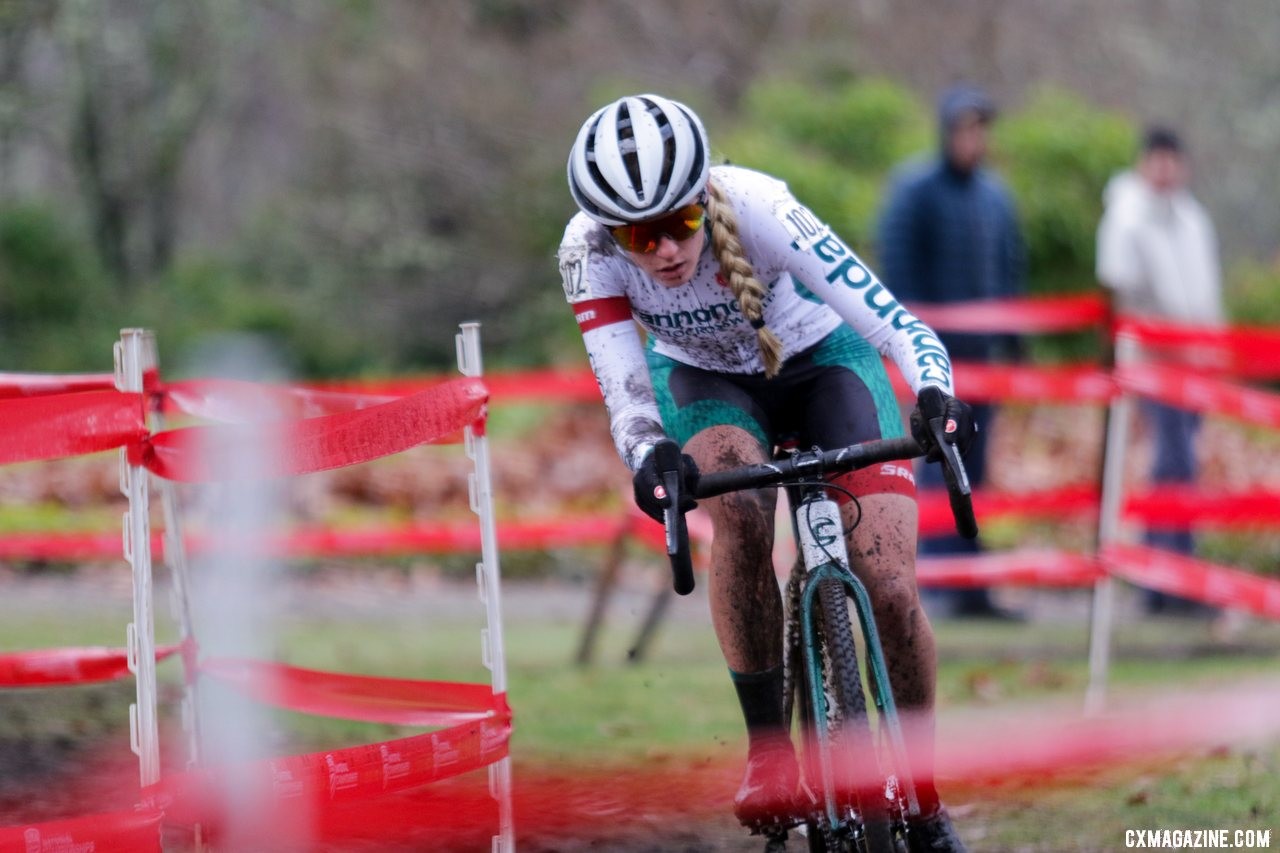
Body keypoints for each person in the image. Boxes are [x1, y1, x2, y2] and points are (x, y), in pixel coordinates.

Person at [558, 93, 975, 852]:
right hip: (706, 383)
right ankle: (770, 753)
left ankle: (921, 794)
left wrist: (937, 394)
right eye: (638, 236)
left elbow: (894, 322)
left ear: (702, 199)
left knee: (887, 584)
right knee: (741, 509)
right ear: (609, 233)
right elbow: (627, 393)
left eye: (679, 224)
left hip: (824, 363)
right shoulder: (585, 253)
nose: (662, 252)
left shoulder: (759, 208)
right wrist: (650, 454)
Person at [875, 83, 1026, 620]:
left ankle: (973, 587)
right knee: (938, 465)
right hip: (933, 365)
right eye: (964, 127)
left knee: (976, 471)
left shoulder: (995, 197)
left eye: (979, 128)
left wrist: (1015, 344)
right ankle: (938, 583)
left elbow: (1009, 271)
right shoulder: (913, 191)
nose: (973, 138)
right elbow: (897, 274)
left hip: (984, 365)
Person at [1096, 125, 1224, 615]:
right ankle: (1160, 578)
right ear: (1145, 163)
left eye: (1174, 159)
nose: (1166, 169)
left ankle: (1179, 573)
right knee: (1168, 465)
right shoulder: (1128, 218)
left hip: (1195, 363)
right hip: (1152, 364)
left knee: (1184, 467)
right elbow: (1116, 286)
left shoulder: (1192, 218)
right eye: (1159, 159)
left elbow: (1204, 293)